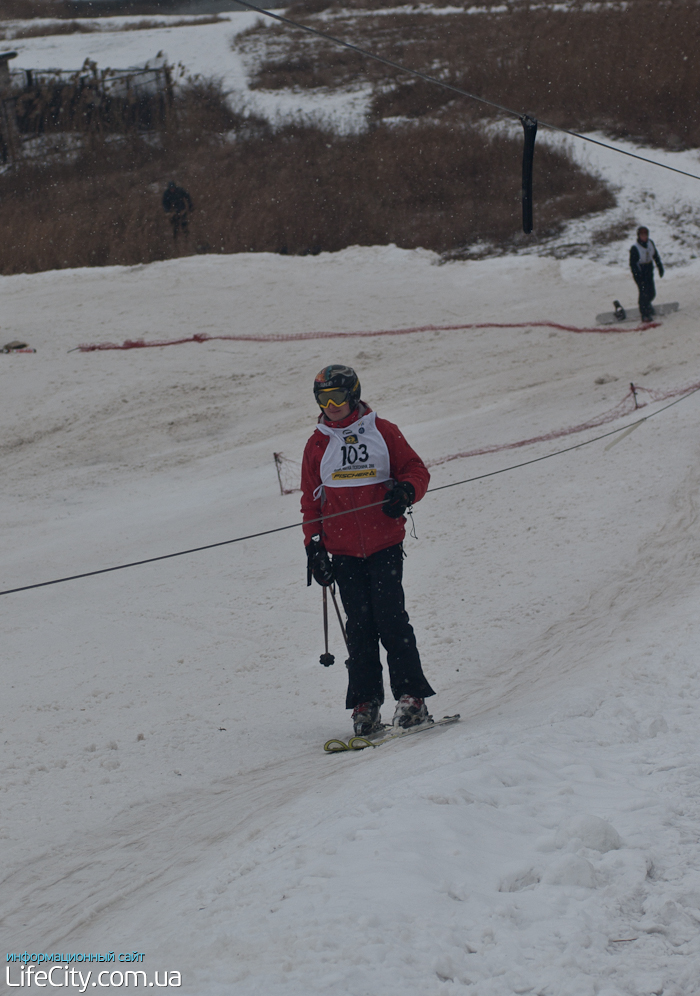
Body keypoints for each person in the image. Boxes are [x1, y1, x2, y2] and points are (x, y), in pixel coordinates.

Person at [301, 364, 435, 736]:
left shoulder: (382, 431)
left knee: (391, 620)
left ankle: (412, 697)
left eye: (338, 397)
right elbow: (310, 502)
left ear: (353, 396)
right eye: (323, 399)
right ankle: (366, 703)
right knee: (359, 628)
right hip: (342, 551)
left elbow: (415, 470)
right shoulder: (317, 445)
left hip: (383, 544)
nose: (331, 406)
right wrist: (314, 548)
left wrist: (406, 491)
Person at [629, 226, 664, 321]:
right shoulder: (635, 248)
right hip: (640, 272)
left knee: (651, 292)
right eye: (642, 235)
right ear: (639, 236)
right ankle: (644, 314)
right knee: (643, 293)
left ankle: (648, 305)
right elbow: (633, 264)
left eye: (646, 235)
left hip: (649, 270)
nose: (644, 237)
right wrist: (638, 276)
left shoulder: (650, 243)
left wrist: (660, 267)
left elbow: (655, 256)